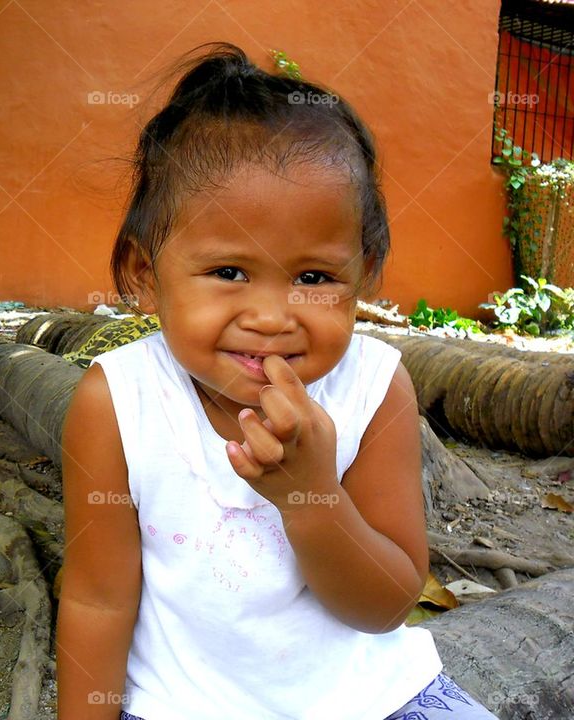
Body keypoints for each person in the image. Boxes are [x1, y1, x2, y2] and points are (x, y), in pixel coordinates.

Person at [55, 43, 498, 720]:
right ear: (144, 274)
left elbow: (385, 605)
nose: (270, 318)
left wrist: (311, 497)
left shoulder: (374, 387)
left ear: (365, 273)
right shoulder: (118, 400)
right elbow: (96, 598)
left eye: (314, 278)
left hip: (375, 700)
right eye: (229, 272)